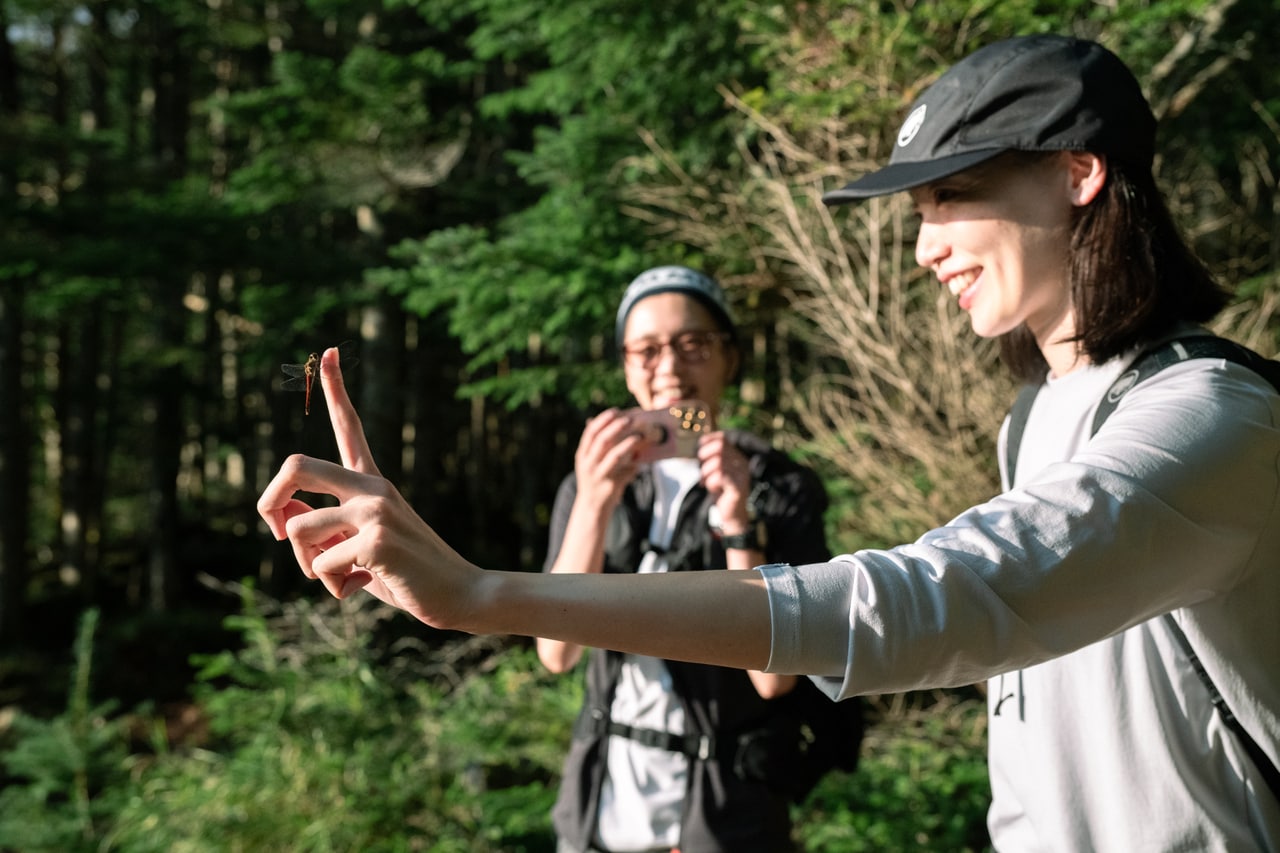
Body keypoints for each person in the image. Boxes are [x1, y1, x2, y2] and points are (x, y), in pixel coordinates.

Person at [258, 33, 1280, 851]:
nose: (923, 246)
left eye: (949, 195)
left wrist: (481, 591)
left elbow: (954, 595)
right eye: (915, 209)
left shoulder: (1212, 418)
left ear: (1077, 174)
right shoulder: (1036, 416)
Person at [538, 265, 834, 853]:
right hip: (599, 812)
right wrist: (595, 498)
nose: (669, 369)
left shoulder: (780, 486)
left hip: (725, 819)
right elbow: (556, 652)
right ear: (626, 365)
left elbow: (775, 682)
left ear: (729, 357)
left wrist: (738, 524)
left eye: (693, 345)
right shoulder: (592, 479)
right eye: (645, 350)